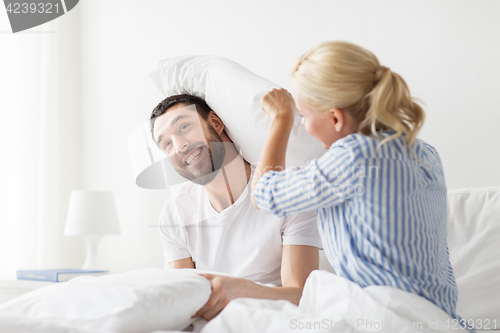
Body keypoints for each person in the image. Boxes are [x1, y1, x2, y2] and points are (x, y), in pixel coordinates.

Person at [251, 41, 468, 327]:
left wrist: (281, 117)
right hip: (438, 316)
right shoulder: (425, 152)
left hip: (387, 314)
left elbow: (264, 194)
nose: (302, 125)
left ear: (336, 118)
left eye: (304, 116)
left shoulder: (353, 156)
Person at [149, 94, 321, 321]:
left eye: (184, 127)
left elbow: (302, 296)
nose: (179, 146)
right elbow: (182, 302)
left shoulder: (285, 192)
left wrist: (240, 292)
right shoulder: (175, 213)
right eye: (167, 144)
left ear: (216, 123)